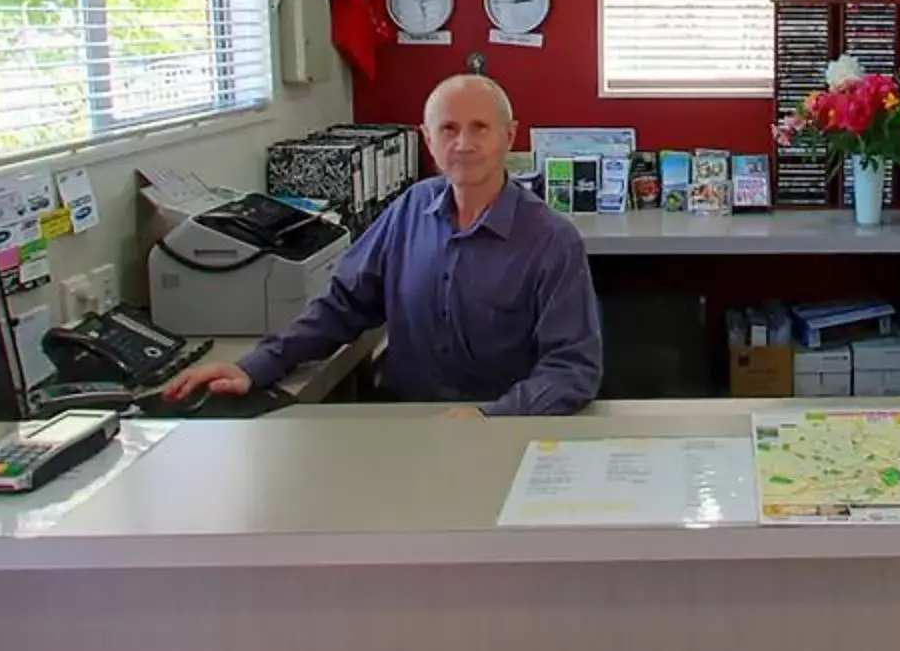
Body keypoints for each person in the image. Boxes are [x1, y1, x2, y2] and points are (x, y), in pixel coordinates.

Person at [161, 74, 603, 416]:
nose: (463, 144)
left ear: (510, 136)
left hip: (502, 431)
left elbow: (573, 369)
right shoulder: (411, 208)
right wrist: (254, 366)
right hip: (403, 422)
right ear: (427, 138)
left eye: (480, 128)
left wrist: (492, 416)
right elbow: (343, 305)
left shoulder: (551, 240)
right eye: (448, 129)